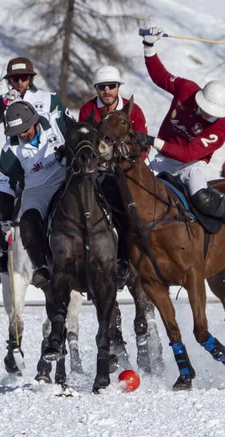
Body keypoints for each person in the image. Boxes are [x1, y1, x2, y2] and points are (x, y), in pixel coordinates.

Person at [135, 26, 225, 251]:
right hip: (163, 158)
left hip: (191, 166)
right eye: (203, 107)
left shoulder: (220, 129)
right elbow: (160, 76)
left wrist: (152, 140)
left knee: (201, 197)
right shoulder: (187, 89)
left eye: (211, 112)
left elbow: (187, 154)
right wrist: (149, 47)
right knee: (136, 191)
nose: (205, 113)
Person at [0, 57, 72, 272]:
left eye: (23, 78)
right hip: (19, 164)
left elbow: (70, 125)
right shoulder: (3, 100)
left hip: (52, 157)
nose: (19, 82)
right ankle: (4, 250)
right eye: (14, 79)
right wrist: (2, 105)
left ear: (30, 78)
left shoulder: (49, 99)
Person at [78, 65, 150, 289]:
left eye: (112, 86)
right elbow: (85, 143)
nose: (107, 90)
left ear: (118, 87)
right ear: (96, 89)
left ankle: (135, 258)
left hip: (127, 170)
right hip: (98, 172)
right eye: (102, 87)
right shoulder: (87, 110)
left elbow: (142, 144)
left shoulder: (133, 110)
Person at [0, 101, 68, 288]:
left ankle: (120, 259)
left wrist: (69, 151)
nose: (23, 135)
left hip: (68, 179)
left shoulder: (56, 121)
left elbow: (81, 134)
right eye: (18, 132)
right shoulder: (10, 148)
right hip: (38, 189)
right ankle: (41, 266)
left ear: (35, 121)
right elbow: (5, 184)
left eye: (25, 129)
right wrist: (5, 216)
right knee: (28, 219)